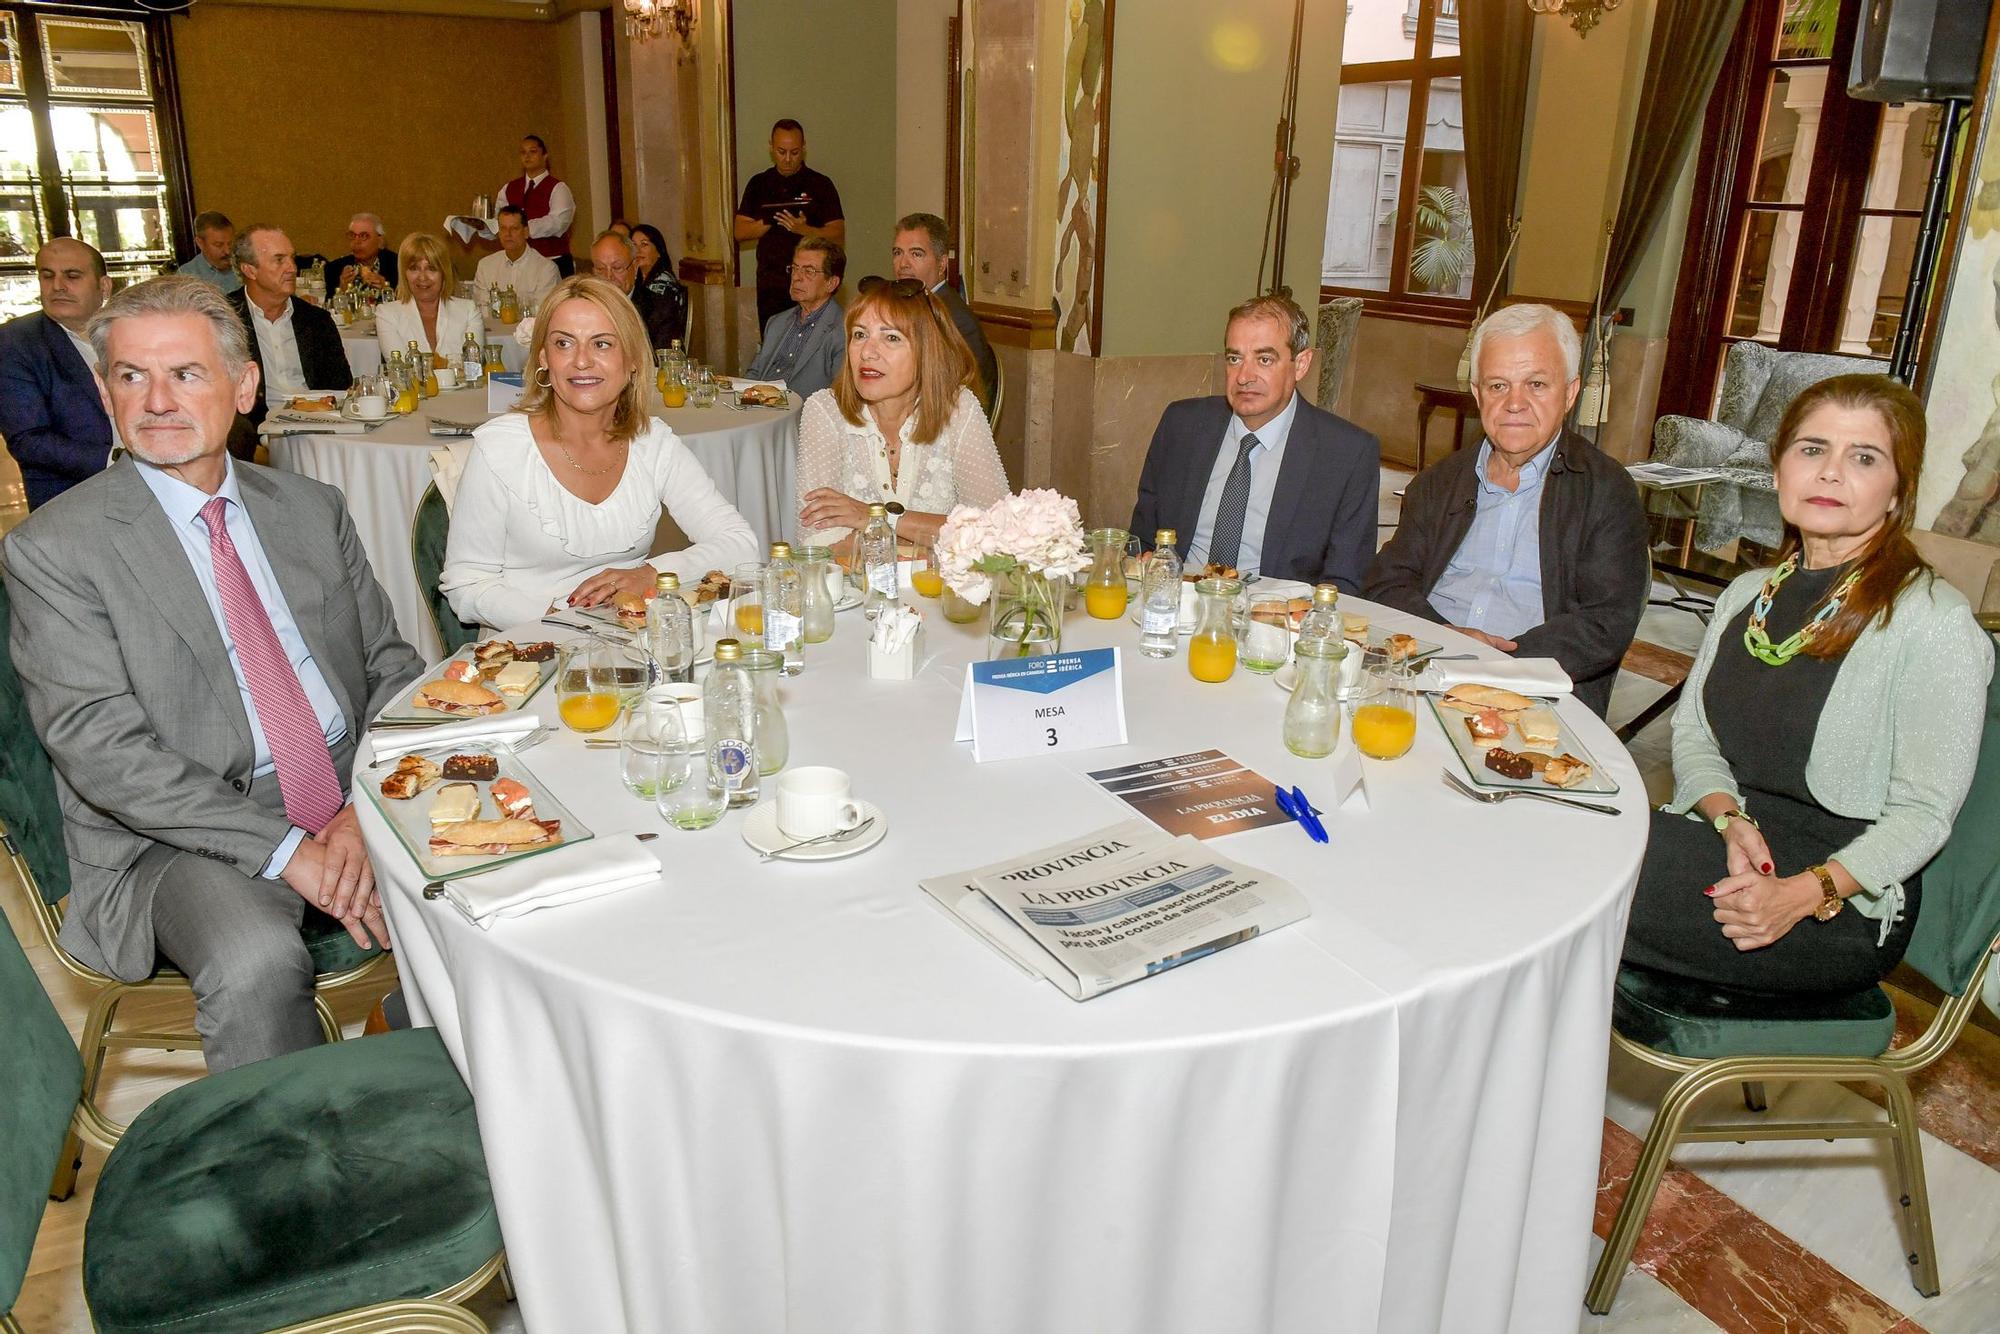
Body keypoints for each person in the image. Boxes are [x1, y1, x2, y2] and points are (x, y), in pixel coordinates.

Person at [3, 275, 423, 1072]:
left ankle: (425, 1088)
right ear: (104, 389)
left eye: (186, 373)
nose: (157, 400)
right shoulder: (56, 549)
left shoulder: (309, 506)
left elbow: (392, 670)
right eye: (132, 376)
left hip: (346, 783)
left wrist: (366, 809)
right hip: (174, 830)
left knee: (519, 867)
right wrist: (290, 849)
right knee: (255, 960)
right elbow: (104, 751)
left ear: (245, 383)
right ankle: (291, 1171)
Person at [1621, 375, 1992, 995]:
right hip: (1728, 847)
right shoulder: (1746, 595)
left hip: (1836, 903)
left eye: (1864, 457)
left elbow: (1925, 816)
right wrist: (1727, 816)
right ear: (1779, 470)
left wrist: (1800, 893)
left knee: (1567, 895)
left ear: (1898, 492)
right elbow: (1695, 735)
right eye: (1812, 449)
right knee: (1564, 845)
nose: (1829, 473)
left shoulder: (1934, 623)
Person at [1365, 302, 1648, 716]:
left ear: (1569, 393)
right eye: (1498, 385)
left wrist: (1496, 667)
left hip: (1534, 693)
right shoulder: (1438, 483)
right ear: (1478, 394)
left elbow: (1605, 623)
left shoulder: (1606, 492)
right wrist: (1445, 638)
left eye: (1536, 384)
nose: (1514, 403)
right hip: (1424, 672)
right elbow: (1385, 581)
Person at [440, 276, 759, 629]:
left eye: (602, 344)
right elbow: (467, 585)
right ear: (544, 357)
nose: (581, 361)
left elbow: (740, 544)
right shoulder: (501, 449)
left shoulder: (653, 443)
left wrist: (651, 573)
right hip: (530, 646)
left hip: (629, 637)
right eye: (564, 343)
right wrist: (565, 621)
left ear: (634, 360)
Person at [1128, 294, 1380, 594]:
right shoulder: (1182, 425)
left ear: (1301, 364)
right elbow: (1142, 539)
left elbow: (1346, 581)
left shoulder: (1346, 453)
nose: (1244, 377)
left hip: (1275, 621)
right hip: (1176, 604)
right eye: (1235, 358)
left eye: (1264, 359)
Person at [796, 276, 1007, 551]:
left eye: (891, 337)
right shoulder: (825, 411)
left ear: (925, 351)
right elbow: (816, 544)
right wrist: (933, 539)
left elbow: (995, 529)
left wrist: (870, 517)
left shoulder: (957, 408)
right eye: (860, 334)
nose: (868, 352)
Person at [0, 239, 117, 510]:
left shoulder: (131, 332)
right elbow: (28, 440)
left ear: (104, 286)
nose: (58, 286)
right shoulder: (16, 343)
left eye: (72, 276)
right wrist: (118, 460)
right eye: (47, 276)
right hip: (73, 500)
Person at [226, 225, 351, 454]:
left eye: (291, 258)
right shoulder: (224, 319)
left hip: (319, 427)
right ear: (250, 270)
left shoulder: (316, 320)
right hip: (257, 430)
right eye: (279, 260)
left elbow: (341, 384)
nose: (292, 268)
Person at [734, 119, 844, 330]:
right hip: (772, 281)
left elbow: (838, 235)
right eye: (781, 151)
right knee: (773, 340)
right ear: (771, 148)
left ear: (803, 148)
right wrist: (768, 221)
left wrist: (804, 230)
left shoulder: (821, 184)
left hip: (812, 281)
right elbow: (739, 231)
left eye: (794, 152)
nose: (787, 159)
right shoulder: (759, 183)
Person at [891, 212, 995, 415]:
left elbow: (950, 397)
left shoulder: (955, 319)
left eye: (916, 254)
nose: (903, 264)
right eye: (897, 253)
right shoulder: (910, 304)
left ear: (942, 264)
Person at [742, 237, 844, 398]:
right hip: (760, 410)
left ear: (831, 283)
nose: (797, 277)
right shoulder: (777, 322)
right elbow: (755, 373)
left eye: (809, 271)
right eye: (795, 268)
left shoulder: (843, 329)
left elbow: (840, 394)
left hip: (804, 418)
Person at [374, 231, 484, 359]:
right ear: (404, 273)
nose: (422, 277)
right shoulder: (387, 314)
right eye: (414, 268)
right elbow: (400, 367)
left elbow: (473, 364)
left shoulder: (469, 311)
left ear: (444, 273)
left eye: (431, 269)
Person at [588, 229, 679, 355]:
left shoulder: (660, 308)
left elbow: (664, 362)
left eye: (617, 268)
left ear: (635, 267)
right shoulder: (585, 307)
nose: (608, 276)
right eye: (600, 269)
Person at [499, 134, 577, 277]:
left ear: (545, 155)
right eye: (523, 152)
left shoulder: (558, 188)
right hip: (520, 263)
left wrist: (524, 228)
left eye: (533, 152)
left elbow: (558, 222)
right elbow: (500, 221)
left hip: (553, 260)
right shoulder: (509, 188)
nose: (527, 156)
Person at [474, 204, 560, 315]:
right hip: (493, 331)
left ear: (526, 232)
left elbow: (543, 313)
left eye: (514, 229)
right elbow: (480, 309)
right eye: (503, 228)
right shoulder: (485, 266)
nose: (507, 234)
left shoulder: (546, 269)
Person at [630, 223, 688, 349]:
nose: (638, 250)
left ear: (659, 251)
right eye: (634, 245)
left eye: (644, 244)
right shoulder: (636, 279)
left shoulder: (663, 284)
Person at [324, 213, 397, 295]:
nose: (356, 242)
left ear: (380, 241)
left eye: (364, 236)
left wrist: (387, 289)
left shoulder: (399, 266)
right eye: (352, 235)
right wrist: (341, 291)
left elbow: (409, 302)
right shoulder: (334, 269)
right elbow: (325, 305)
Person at [178, 211, 241, 295]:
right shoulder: (186, 275)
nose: (227, 251)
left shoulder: (244, 266)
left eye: (230, 243)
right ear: (200, 243)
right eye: (218, 245)